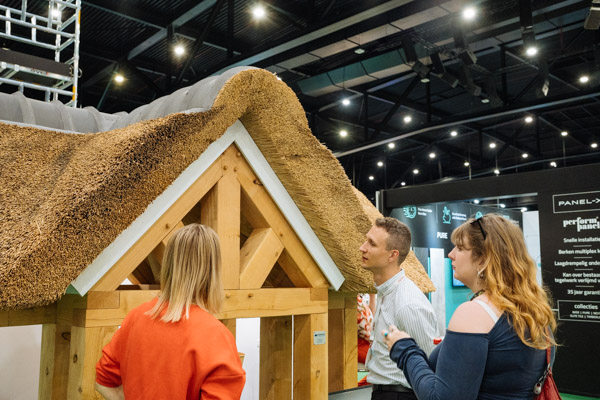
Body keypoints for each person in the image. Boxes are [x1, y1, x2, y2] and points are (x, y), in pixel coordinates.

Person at [382, 213, 557, 400]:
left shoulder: (474, 313)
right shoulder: (535, 312)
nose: (450, 254)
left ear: (483, 259)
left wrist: (404, 348)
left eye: (460, 248)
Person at [95, 224, 246, 400]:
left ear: (168, 265)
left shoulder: (135, 318)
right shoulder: (216, 335)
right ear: (212, 271)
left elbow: (102, 382)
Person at [360, 217, 439, 400]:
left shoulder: (408, 303)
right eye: (366, 240)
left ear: (392, 255)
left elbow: (429, 362)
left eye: (372, 243)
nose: (362, 248)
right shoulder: (386, 292)